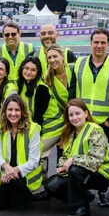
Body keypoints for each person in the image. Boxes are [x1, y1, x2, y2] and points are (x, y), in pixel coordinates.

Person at [70, 28, 109, 191]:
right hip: (83, 124)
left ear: (108, 44)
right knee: (83, 158)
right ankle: (83, 192)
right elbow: (72, 93)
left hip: (106, 124)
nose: (99, 46)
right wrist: (75, 116)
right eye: (96, 42)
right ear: (90, 44)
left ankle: (108, 192)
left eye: (103, 42)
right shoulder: (79, 64)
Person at [45, 99, 109, 216]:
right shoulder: (70, 132)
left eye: (78, 113)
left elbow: (96, 161)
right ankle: (85, 196)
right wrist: (62, 166)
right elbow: (65, 155)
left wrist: (72, 160)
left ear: (86, 114)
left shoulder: (95, 131)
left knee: (75, 170)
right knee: (51, 186)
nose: (74, 117)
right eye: (71, 115)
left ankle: (82, 208)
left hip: (101, 173)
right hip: (79, 171)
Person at [0, 94, 43, 210]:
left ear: (23, 112)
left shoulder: (33, 128)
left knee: (19, 206)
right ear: (5, 111)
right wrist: (6, 167)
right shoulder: (1, 126)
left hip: (23, 175)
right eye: (10, 109)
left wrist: (13, 170)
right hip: (6, 173)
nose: (13, 113)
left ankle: (23, 197)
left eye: (17, 110)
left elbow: (34, 161)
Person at [41, 45, 72, 183]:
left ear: (62, 56)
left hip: (79, 118)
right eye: (49, 58)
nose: (52, 60)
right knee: (61, 152)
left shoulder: (74, 70)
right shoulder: (48, 79)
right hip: (62, 121)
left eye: (55, 56)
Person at [16, 56, 51, 127]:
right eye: (26, 68)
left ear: (38, 72)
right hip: (32, 124)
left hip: (49, 126)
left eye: (33, 70)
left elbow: (39, 117)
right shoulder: (21, 84)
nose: (28, 72)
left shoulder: (42, 89)